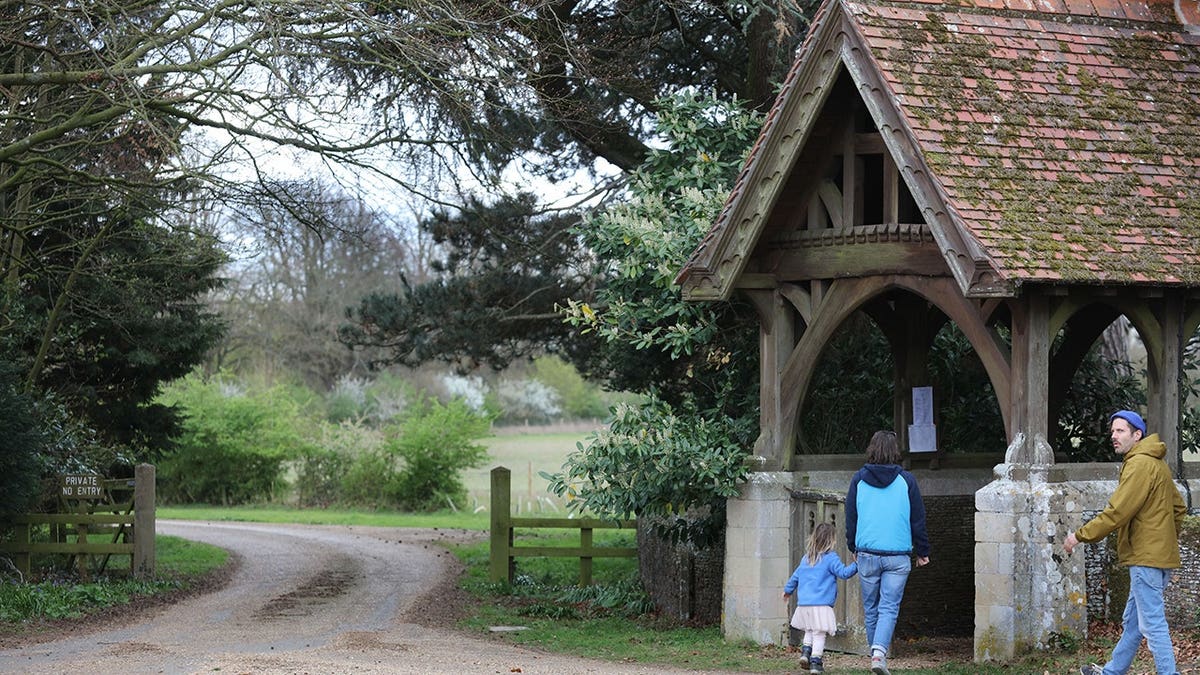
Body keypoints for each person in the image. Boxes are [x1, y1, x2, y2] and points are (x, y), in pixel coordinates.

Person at [1063, 410, 1186, 675]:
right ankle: (1112, 672)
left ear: (1137, 434)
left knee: (1152, 623)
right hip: (1154, 557)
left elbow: (1117, 512)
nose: (1113, 437)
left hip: (1146, 558)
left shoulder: (1140, 464)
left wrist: (1079, 535)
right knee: (1133, 622)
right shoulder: (1156, 463)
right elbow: (1178, 508)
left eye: (1120, 431)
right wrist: (1163, 541)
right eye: (1112, 432)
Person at [845, 430, 930, 675]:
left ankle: (876, 654)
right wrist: (922, 551)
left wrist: (852, 546)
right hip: (897, 555)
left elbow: (851, 517)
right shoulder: (907, 480)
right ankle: (879, 655)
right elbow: (917, 519)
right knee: (889, 607)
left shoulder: (858, 480)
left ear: (872, 449)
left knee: (871, 608)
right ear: (895, 451)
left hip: (867, 553)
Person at [783, 521, 858, 674]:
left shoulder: (807, 558)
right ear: (832, 540)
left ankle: (805, 653)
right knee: (819, 633)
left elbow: (795, 577)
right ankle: (816, 662)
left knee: (809, 630)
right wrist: (857, 564)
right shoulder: (831, 558)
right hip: (821, 604)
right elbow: (844, 573)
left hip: (804, 604)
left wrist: (787, 591)